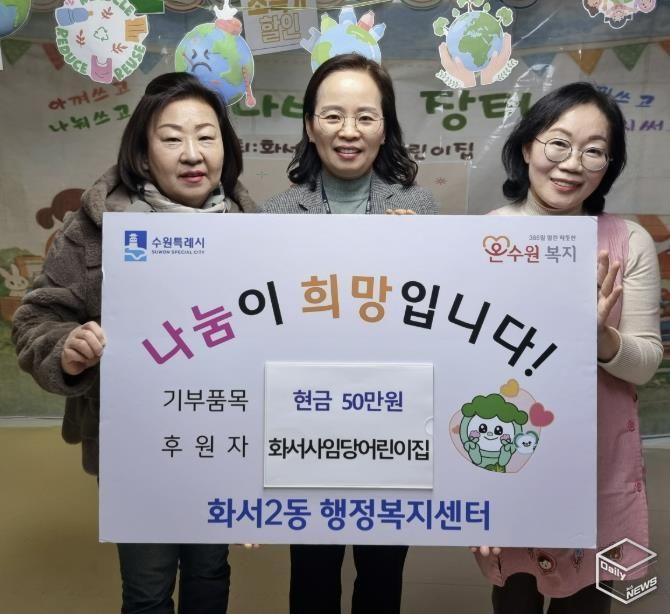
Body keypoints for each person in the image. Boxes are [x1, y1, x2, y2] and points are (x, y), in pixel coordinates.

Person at [12, 72, 256, 614]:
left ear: (225, 147)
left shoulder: (255, 230)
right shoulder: (94, 229)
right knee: (147, 590)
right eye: (171, 138)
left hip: (222, 437)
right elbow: (34, 318)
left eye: (206, 136)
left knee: (210, 572)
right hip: (135, 444)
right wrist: (68, 346)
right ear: (143, 155)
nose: (192, 153)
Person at [474, 82, 663, 614]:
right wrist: (471, 490)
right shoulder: (484, 237)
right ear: (527, 147)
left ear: (609, 165)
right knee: (514, 595)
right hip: (508, 451)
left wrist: (600, 338)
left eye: (594, 151)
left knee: (587, 602)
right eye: (558, 143)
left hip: (599, 461)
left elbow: (645, 364)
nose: (572, 163)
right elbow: (463, 364)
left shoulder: (629, 241)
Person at [263, 53, 437, 614]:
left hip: (393, 422)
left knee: (382, 575)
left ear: (385, 127)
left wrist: (416, 259)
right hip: (306, 422)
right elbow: (262, 327)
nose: (349, 131)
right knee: (312, 575)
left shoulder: (421, 209)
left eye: (366, 116)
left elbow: (437, 324)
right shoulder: (273, 216)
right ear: (310, 125)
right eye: (333, 115)